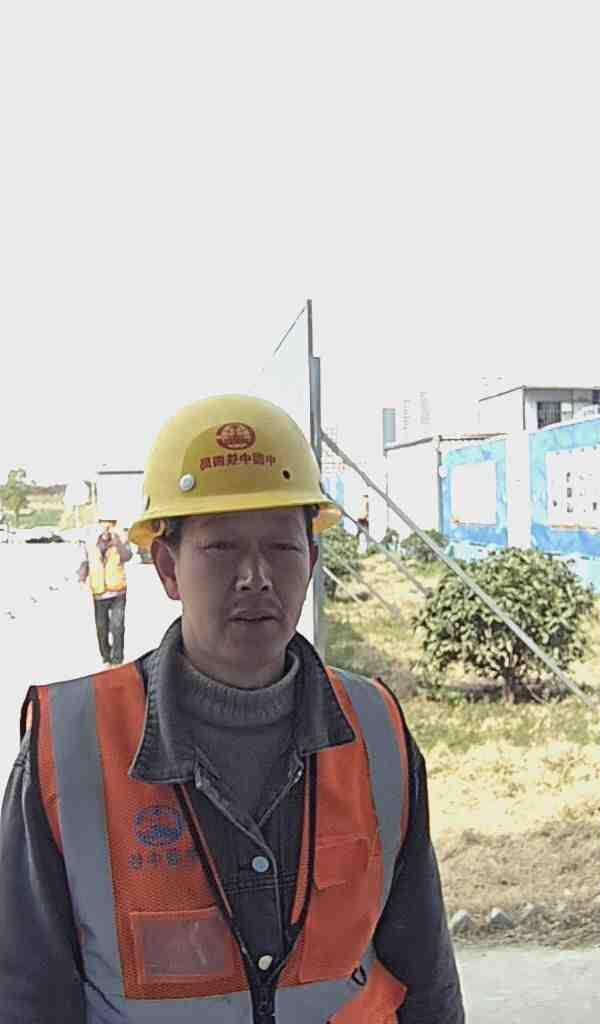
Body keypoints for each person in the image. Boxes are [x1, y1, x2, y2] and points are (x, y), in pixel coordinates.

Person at [0, 395, 464, 1023]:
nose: (255, 577)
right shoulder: (71, 745)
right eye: (221, 548)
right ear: (168, 568)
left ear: (312, 560)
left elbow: (425, 977)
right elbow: (26, 992)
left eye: (281, 547)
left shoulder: (376, 730)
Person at [78, 518, 132, 666]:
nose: (106, 527)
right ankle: (106, 657)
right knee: (102, 628)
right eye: (103, 524)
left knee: (117, 626)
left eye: (110, 524)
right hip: (98, 591)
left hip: (118, 590)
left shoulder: (120, 540)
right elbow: (85, 562)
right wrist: (82, 579)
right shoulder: (90, 542)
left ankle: (118, 659)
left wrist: (118, 543)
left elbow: (127, 556)